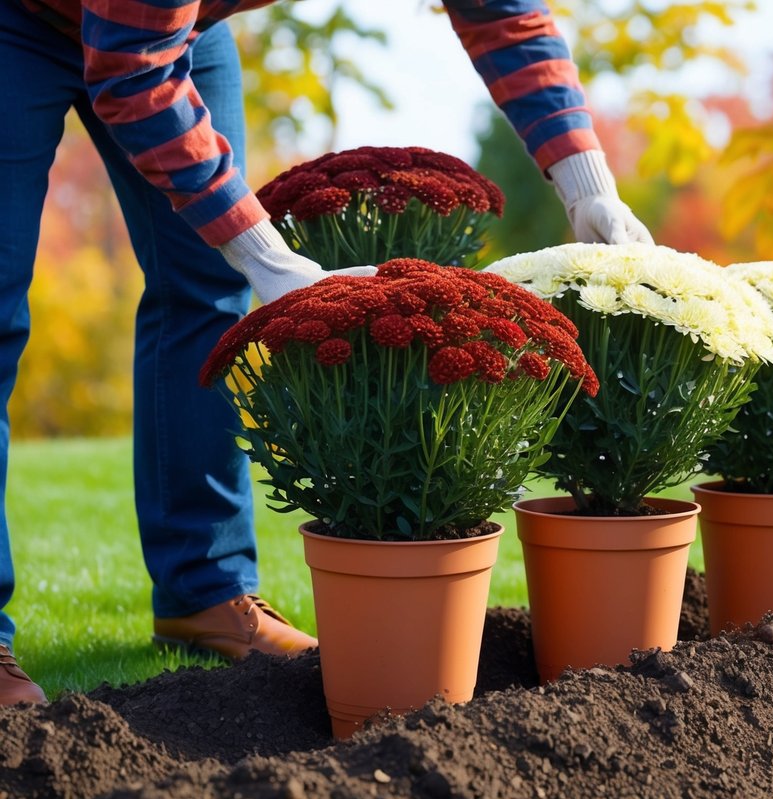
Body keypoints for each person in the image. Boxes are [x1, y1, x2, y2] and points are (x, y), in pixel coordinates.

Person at [0, 0, 653, 706]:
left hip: (173, 30)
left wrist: (589, 186)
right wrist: (268, 255)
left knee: (207, 284)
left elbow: (502, 11)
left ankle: (206, 590)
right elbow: (129, 69)